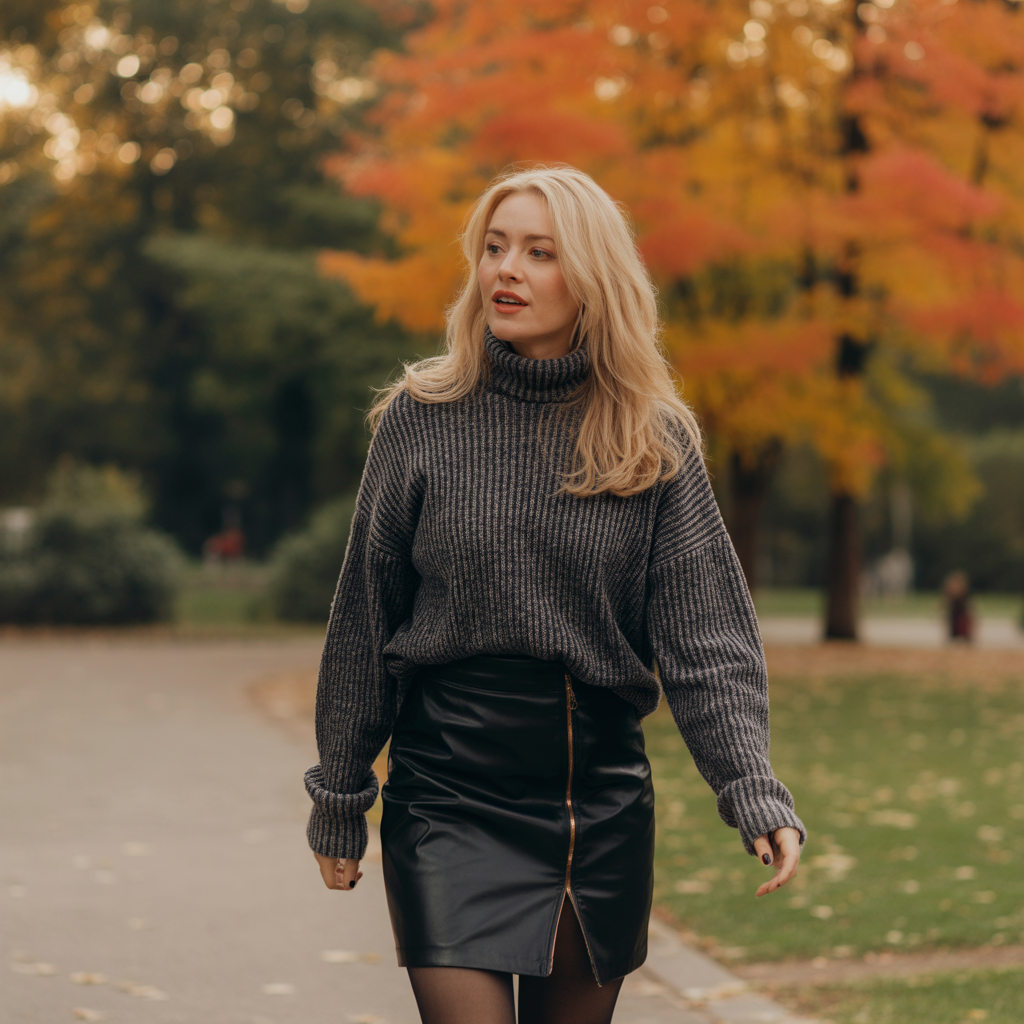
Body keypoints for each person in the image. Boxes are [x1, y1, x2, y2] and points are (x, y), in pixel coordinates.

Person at [304, 165, 806, 1024]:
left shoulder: (651, 434)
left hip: (594, 798)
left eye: (540, 252)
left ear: (592, 280)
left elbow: (707, 636)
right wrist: (343, 797)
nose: (507, 270)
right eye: (495, 249)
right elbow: (365, 618)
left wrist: (749, 785)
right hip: (447, 789)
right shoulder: (422, 415)